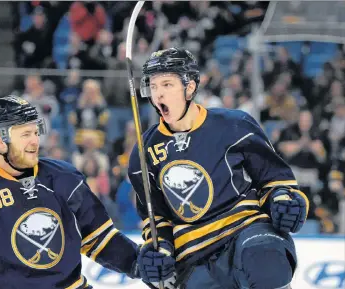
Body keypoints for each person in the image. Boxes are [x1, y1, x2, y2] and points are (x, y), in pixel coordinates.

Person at [0, 95, 173, 289]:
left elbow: (99, 239)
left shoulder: (64, 178)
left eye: (36, 132)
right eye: (25, 134)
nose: (35, 141)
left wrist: (138, 262)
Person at [129, 48, 309, 289]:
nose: (158, 94)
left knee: (264, 257)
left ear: (190, 87)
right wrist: (158, 252)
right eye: (153, 86)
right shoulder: (143, 154)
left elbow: (275, 181)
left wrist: (284, 202)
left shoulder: (235, 125)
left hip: (245, 233)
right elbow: (156, 218)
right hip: (193, 256)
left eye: (167, 84)